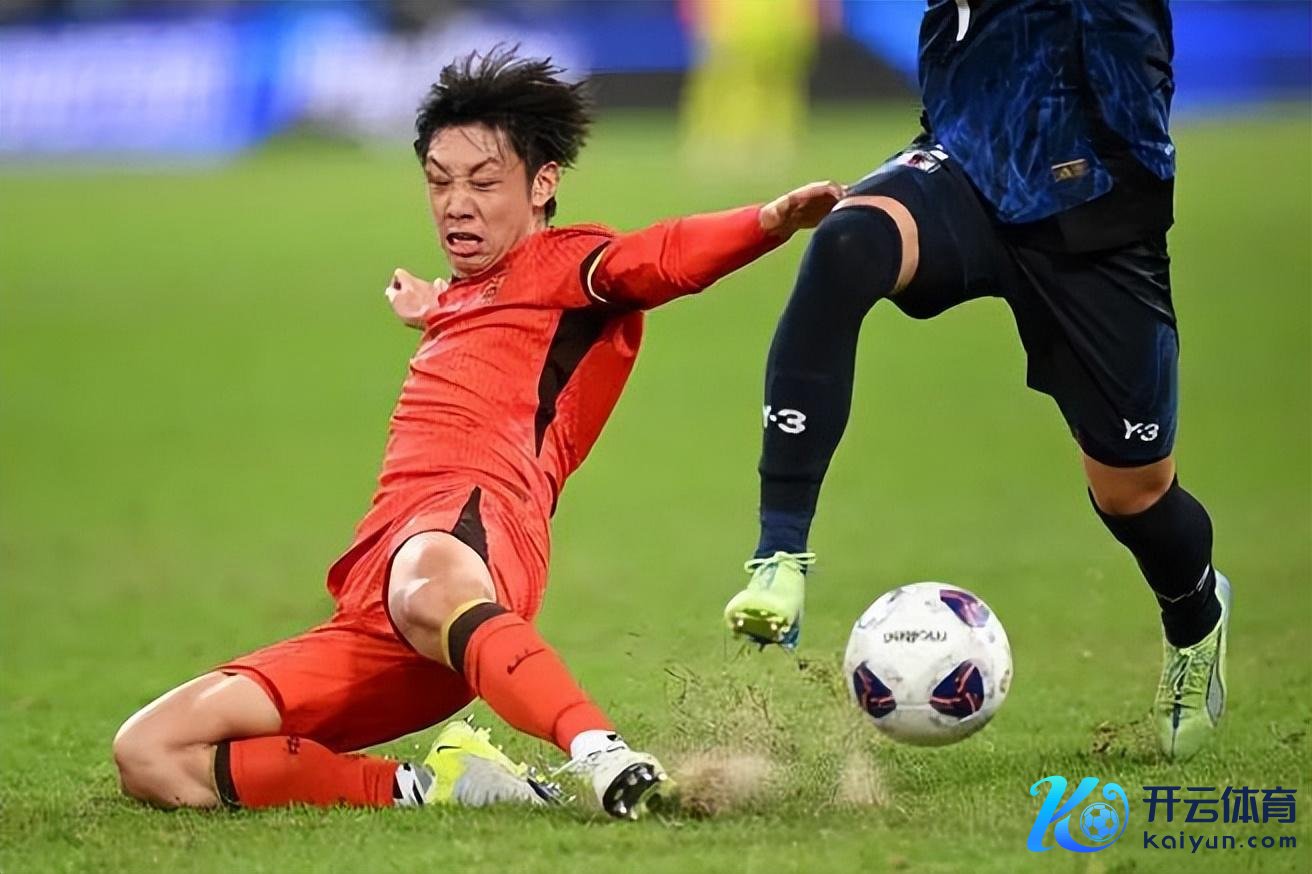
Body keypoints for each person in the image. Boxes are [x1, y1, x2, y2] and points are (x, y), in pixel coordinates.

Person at [112, 47, 843, 819]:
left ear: (543, 183)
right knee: (150, 753)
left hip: (471, 530)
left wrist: (766, 223)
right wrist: (436, 311)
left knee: (429, 579)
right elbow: (492, 324)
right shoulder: (466, 295)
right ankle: (438, 787)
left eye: (483, 182)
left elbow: (656, 258)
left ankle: (605, 756)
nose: (456, 204)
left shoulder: (567, 264)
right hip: (377, 599)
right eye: (439, 181)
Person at [723, 0, 1230, 761]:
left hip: (1102, 199)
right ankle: (779, 555)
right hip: (965, 160)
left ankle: (1196, 617)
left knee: (1135, 494)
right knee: (847, 243)